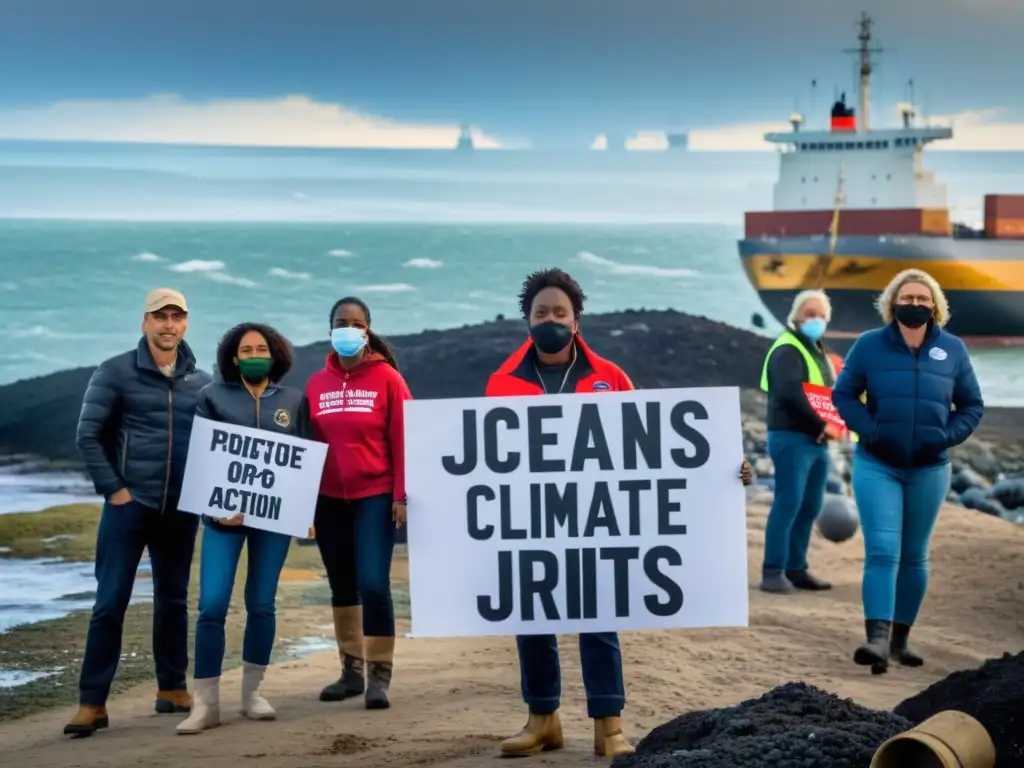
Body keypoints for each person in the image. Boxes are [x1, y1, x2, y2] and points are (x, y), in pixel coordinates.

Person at [485, 268, 751, 760]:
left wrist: (723, 467)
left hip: (596, 518)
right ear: (527, 321)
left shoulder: (610, 378)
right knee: (532, 617)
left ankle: (609, 726)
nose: (550, 320)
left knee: (598, 616)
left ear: (576, 320)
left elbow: (655, 449)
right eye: (540, 313)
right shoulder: (502, 383)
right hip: (533, 518)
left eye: (558, 313)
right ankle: (542, 719)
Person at [66, 288, 212, 737]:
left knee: (173, 600)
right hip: (130, 507)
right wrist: (115, 491)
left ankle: (172, 689)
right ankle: (92, 703)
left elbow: (218, 447)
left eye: (176, 317)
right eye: (159, 317)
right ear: (144, 322)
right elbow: (87, 436)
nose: (169, 325)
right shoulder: (114, 373)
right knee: (109, 602)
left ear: (185, 323)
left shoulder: (201, 382)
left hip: (179, 511)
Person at [832, 268, 983, 673]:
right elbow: (843, 395)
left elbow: (972, 405)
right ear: (892, 303)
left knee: (915, 556)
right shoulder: (869, 346)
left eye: (922, 299)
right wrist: (871, 429)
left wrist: (947, 436)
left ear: (935, 305)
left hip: (930, 467)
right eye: (907, 298)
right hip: (877, 464)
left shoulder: (952, 349)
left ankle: (901, 640)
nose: (914, 304)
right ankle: (876, 641)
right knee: (882, 551)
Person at [177, 323, 309, 734]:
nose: (255, 354)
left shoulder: (294, 401)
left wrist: (305, 512)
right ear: (233, 358)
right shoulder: (212, 396)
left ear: (275, 355)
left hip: (273, 521)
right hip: (223, 520)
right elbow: (198, 458)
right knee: (212, 605)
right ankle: (205, 703)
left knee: (262, 603)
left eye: (262, 348)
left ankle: (253, 694)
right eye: (246, 349)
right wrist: (213, 511)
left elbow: (304, 461)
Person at [305, 296, 412, 710]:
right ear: (329, 328)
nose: (348, 328)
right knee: (342, 584)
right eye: (340, 322)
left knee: (373, 583)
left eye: (356, 322)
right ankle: (350, 672)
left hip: (375, 496)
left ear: (367, 330)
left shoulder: (388, 380)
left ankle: (378, 677)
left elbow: (405, 440)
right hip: (328, 500)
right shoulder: (317, 384)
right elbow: (306, 447)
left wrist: (401, 495)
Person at [757, 289, 838, 594]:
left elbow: (825, 394)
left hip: (815, 440)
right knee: (788, 502)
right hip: (791, 437)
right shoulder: (787, 349)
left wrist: (835, 424)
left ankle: (796, 568)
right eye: (809, 314)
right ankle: (773, 571)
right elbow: (791, 394)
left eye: (821, 315)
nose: (815, 320)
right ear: (795, 316)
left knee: (809, 505)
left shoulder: (816, 349)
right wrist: (822, 424)